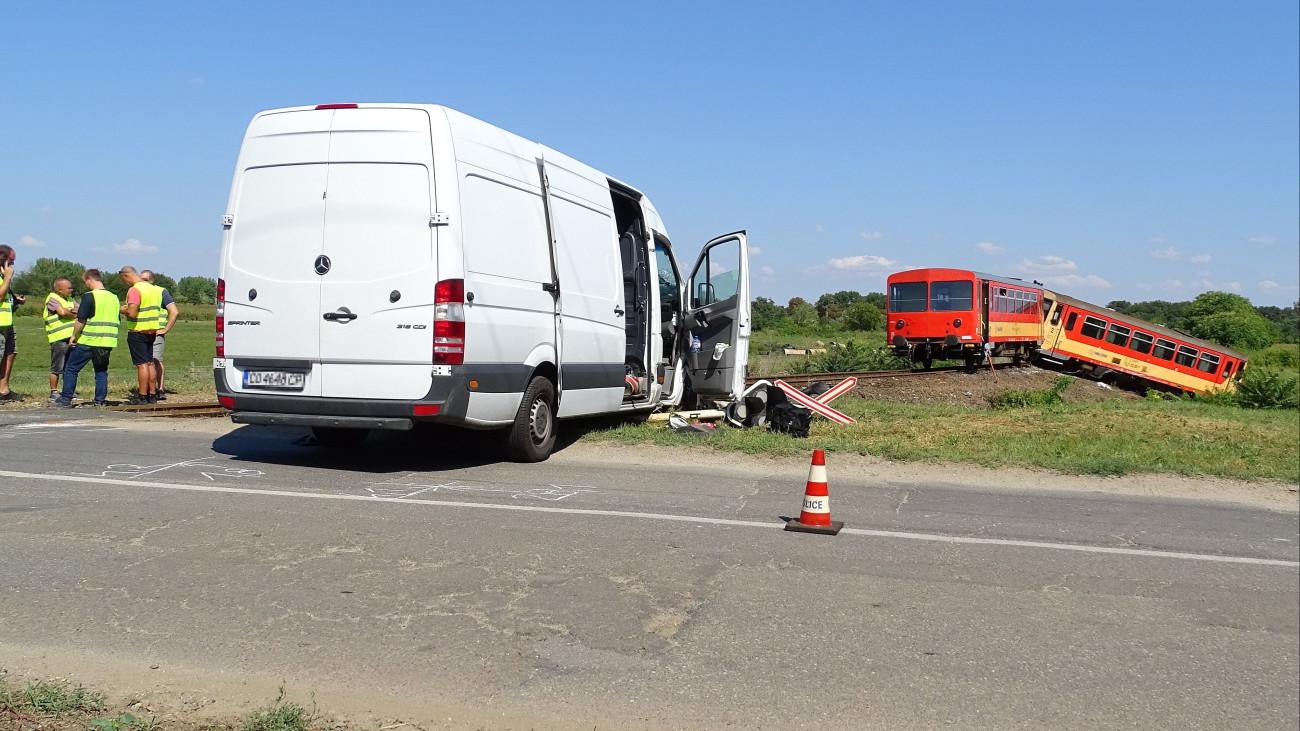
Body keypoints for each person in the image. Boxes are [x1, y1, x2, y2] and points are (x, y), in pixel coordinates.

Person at [53, 269, 119, 408]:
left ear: (90, 279)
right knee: (101, 371)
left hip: (89, 339)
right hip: (107, 341)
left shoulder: (90, 296)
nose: (85, 285)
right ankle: (99, 401)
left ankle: (65, 399)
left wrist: (73, 336)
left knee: (71, 368)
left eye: (85, 282)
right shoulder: (114, 297)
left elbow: (81, 319)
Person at [118, 265, 163, 404]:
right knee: (150, 363)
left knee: (142, 365)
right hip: (152, 331)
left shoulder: (135, 290)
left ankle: (142, 396)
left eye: (123, 280)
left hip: (137, 330)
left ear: (126, 275)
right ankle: (152, 394)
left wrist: (122, 309)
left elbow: (132, 312)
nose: (125, 283)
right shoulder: (154, 289)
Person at [141, 270, 178, 398]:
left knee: (156, 360)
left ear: (152, 280)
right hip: (142, 332)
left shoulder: (161, 291)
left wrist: (165, 329)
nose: (142, 282)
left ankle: (160, 389)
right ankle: (146, 390)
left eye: (145, 280)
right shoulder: (138, 290)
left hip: (156, 332)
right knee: (143, 362)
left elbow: (174, 311)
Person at [44, 276, 79, 399]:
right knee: (57, 366)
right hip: (58, 338)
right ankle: (54, 391)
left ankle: (68, 391)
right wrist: (72, 312)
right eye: (68, 288)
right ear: (59, 290)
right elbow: (62, 312)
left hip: (71, 337)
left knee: (70, 366)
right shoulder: (52, 298)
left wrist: (70, 311)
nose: (71, 290)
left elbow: (80, 310)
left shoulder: (69, 299)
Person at [0, 244, 27, 400]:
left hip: (7, 324)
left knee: (10, 353)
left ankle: (3, 390)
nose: (12, 265)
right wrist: (8, 277)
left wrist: (15, 300)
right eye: (10, 261)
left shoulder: (3, 277)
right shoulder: (5, 277)